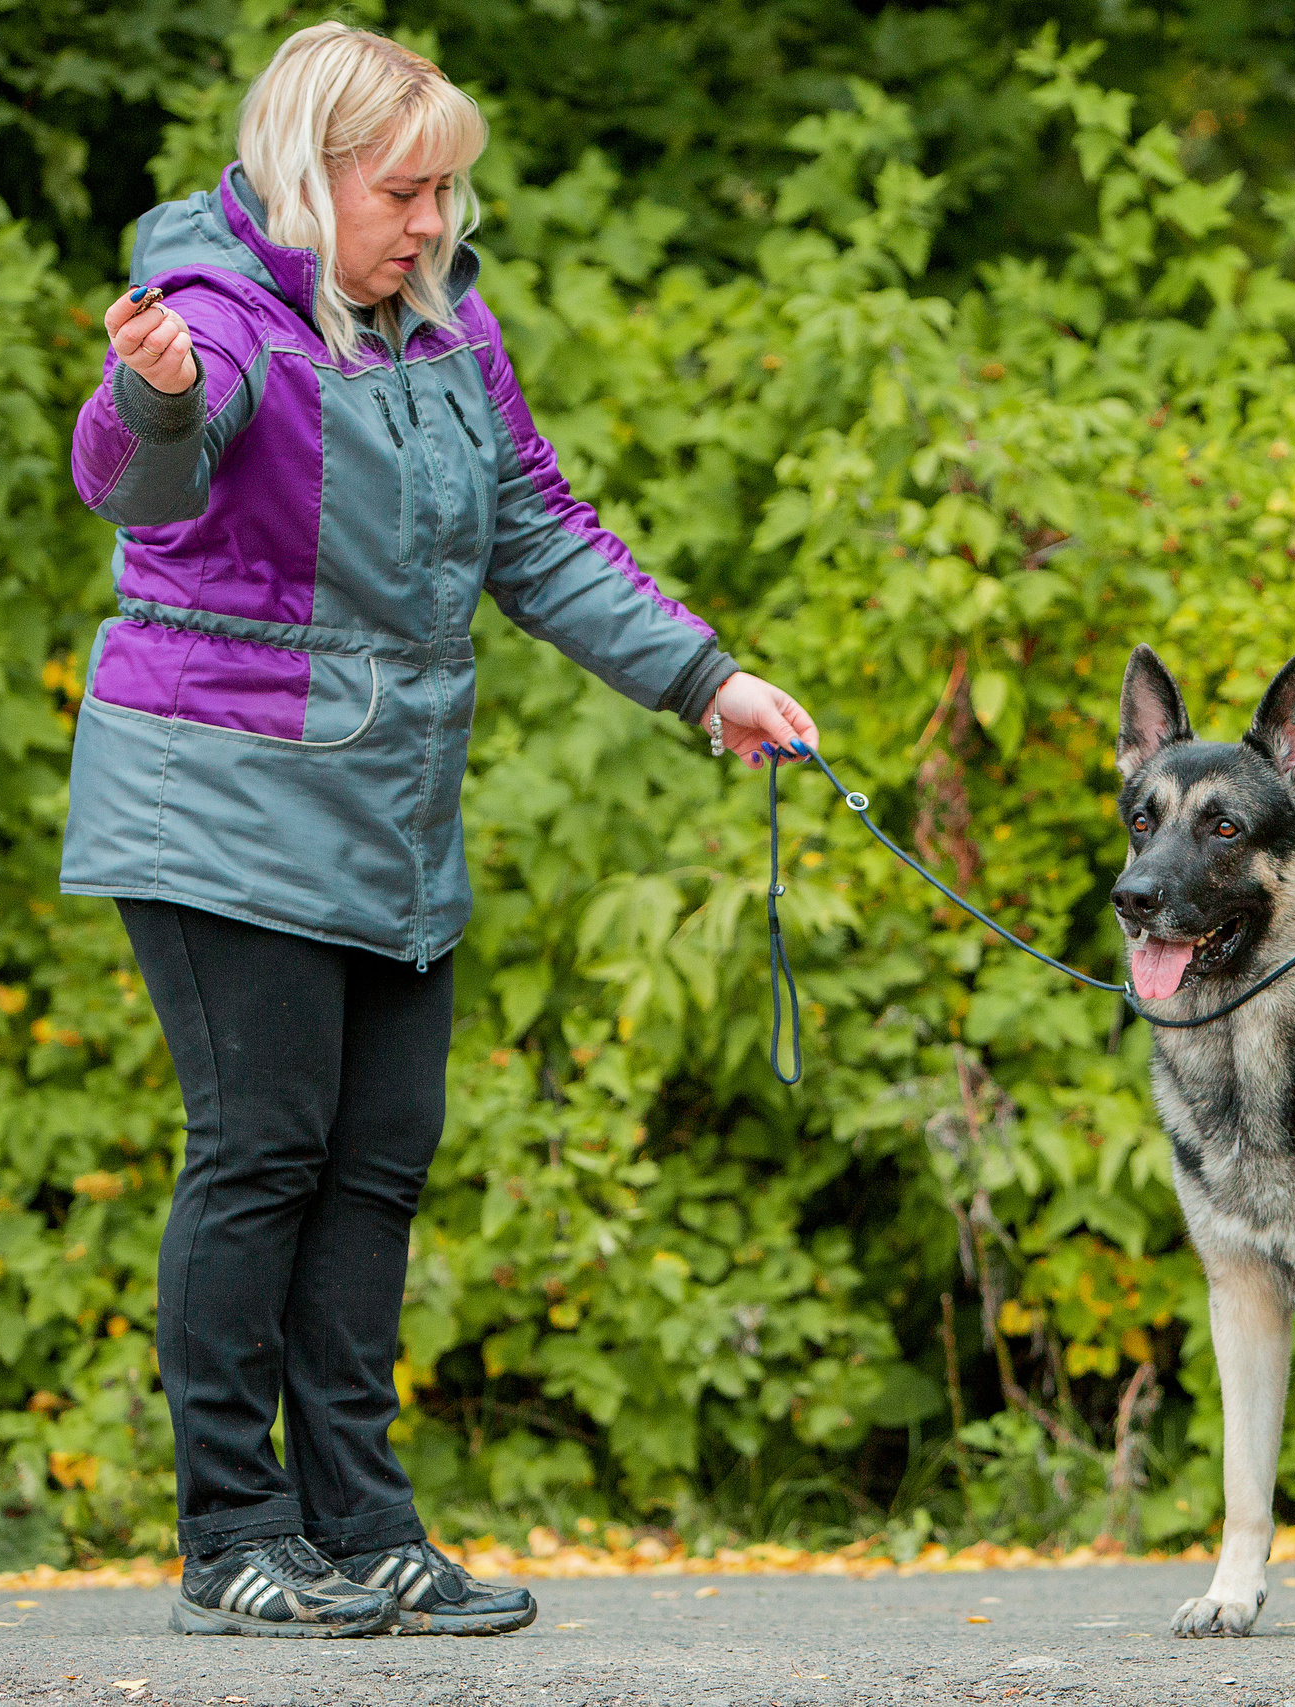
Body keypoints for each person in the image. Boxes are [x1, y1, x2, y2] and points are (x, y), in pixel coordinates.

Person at [60, 23, 816, 1637]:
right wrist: (153, 398)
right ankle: (232, 1537)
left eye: (447, 190)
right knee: (262, 1157)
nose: (433, 222)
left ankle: (359, 1522)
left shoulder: (440, 320)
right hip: (220, 796)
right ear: (306, 174)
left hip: (388, 807)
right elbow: (137, 480)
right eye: (407, 190)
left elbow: (537, 529)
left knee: (377, 1166)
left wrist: (707, 679)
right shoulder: (211, 312)